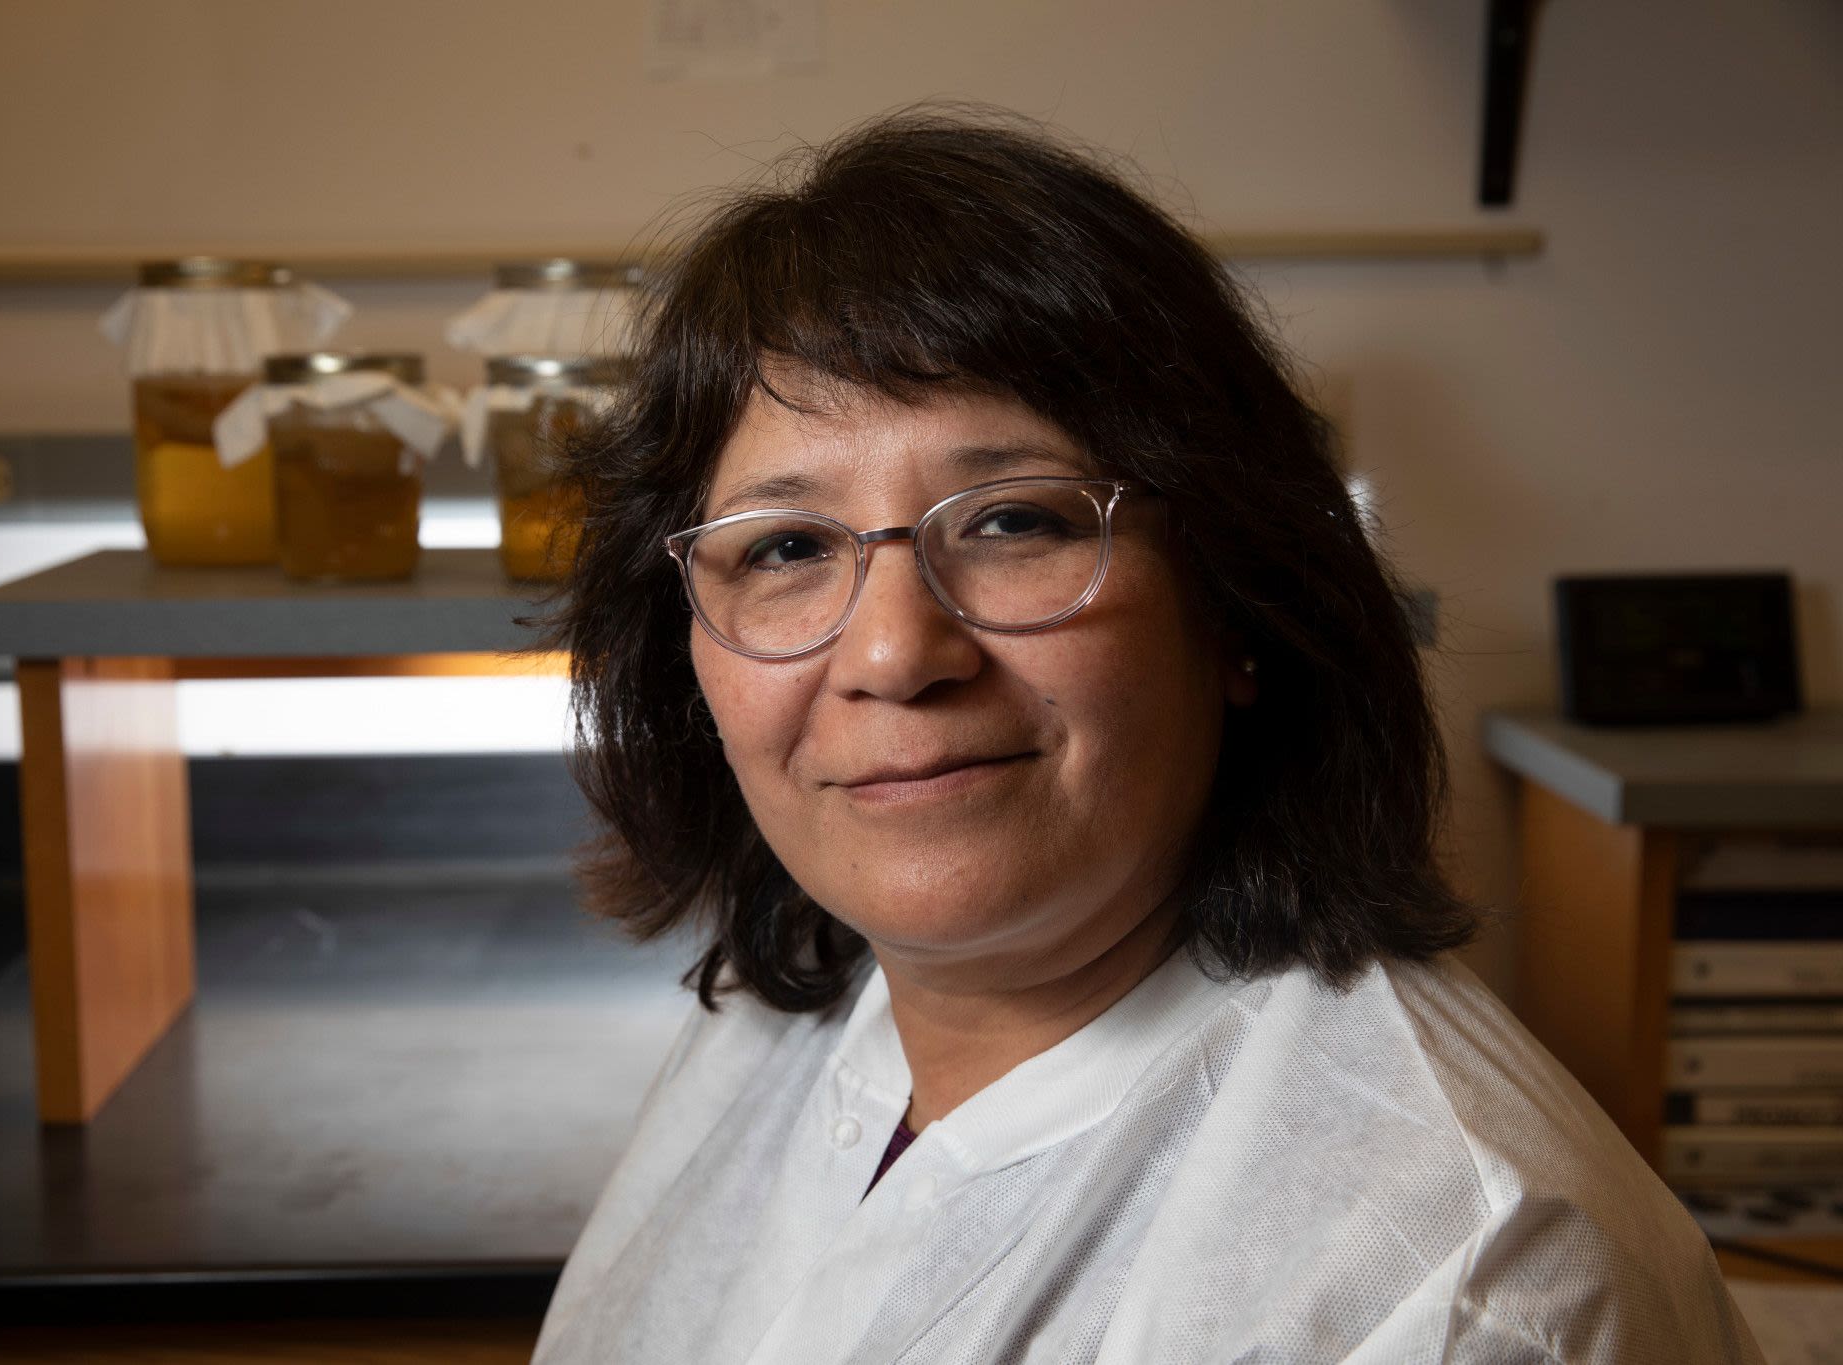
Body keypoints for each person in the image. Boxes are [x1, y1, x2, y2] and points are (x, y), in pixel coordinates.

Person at [530, 108, 1759, 1363]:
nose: (896, 655)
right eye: (785, 547)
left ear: (1235, 605)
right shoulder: (789, 1000)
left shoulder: (1457, 1286)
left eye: (1014, 522)